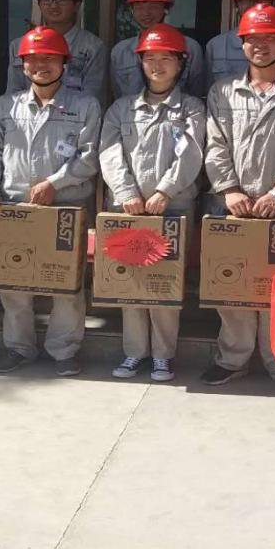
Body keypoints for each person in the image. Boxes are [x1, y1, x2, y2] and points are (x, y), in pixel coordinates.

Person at [202, 4, 275, 393]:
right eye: (253, 39)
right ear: (242, 45)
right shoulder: (223, 91)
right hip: (232, 207)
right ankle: (232, 358)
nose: (261, 45)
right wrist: (228, 189)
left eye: (270, 38)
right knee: (231, 284)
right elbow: (215, 144)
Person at [0, 26, 102, 377]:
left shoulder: (85, 106)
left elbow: (90, 156)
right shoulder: (5, 107)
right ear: (22, 65)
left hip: (65, 208)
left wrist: (55, 183)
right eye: (33, 59)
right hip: (16, 207)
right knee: (14, 283)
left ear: (65, 62)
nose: (41, 65)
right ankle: (18, 348)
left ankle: (64, 351)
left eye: (50, 58)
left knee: (66, 285)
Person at [98, 24, 206, 382]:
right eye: (150, 58)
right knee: (130, 283)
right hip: (128, 209)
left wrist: (165, 191)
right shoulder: (121, 108)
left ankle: (163, 355)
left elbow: (191, 153)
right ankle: (134, 352)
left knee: (164, 283)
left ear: (181, 63)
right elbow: (110, 153)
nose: (157, 65)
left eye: (166, 58)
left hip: (172, 208)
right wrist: (126, 192)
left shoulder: (191, 108)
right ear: (140, 63)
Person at [7, 0, 108, 100]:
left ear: (76, 5)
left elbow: (92, 97)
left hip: (75, 113)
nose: (53, 6)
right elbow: (12, 95)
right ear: (39, 4)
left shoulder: (93, 47)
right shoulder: (19, 45)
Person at [110, 0, 207, 99]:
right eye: (139, 7)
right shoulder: (120, 51)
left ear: (166, 9)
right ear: (132, 11)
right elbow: (118, 95)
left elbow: (196, 93)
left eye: (153, 7)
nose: (146, 13)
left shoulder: (189, 47)